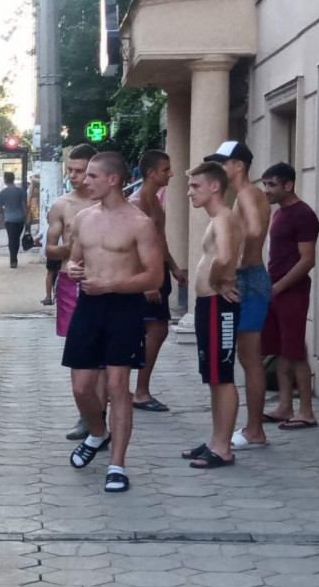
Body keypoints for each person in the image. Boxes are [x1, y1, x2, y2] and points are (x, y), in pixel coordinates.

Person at [62, 152, 164, 493]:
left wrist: (111, 285)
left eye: (92, 176)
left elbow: (154, 276)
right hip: (89, 306)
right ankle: (97, 432)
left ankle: (117, 464)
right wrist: (73, 270)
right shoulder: (84, 219)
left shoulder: (139, 223)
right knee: (81, 388)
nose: (84, 181)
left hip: (123, 307)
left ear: (113, 180)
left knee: (119, 387)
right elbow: (72, 261)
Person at [182, 161, 245, 469]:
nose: (189, 192)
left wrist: (219, 280)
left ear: (214, 187)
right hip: (210, 305)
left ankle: (223, 448)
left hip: (220, 307)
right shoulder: (218, 217)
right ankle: (215, 440)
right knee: (214, 378)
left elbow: (225, 256)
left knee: (223, 376)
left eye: (195, 186)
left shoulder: (223, 217)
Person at [216, 141, 273, 449]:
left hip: (249, 280)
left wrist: (235, 260)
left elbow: (252, 231)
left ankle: (255, 430)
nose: (220, 169)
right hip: (251, 279)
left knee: (250, 359)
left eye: (223, 163)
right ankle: (253, 427)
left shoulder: (248, 194)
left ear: (238, 165)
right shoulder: (246, 195)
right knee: (247, 357)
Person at [45, 144, 102, 440]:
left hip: (104, 283)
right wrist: (69, 249)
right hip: (70, 282)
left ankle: (102, 413)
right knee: (78, 352)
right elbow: (50, 248)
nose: (74, 176)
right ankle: (86, 414)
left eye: (81, 171)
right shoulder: (62, 205)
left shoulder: (107, 204)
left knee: (104, 354)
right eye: (71, 170)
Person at [261, 162, 319, 431]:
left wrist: (280, 286)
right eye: (265, 184)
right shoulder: (279, 213)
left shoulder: (303, 214)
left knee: (296, 351)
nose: (267, 190)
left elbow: (307, 260)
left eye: (272, 184)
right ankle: (285, 406)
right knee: (281, 350)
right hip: (274, 290)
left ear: (288, 184)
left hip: (292, 292)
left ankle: (306, 411)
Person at [130, 150, 188, 412]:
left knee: (154, 330)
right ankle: (138, 391)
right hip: (146, 276)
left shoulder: (154, 199)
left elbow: (159, 239)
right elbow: (134, 245)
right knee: (153, 329)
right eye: (166, 169)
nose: (171, 173)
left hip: (159, 271)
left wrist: (174, 266)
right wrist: (147, 282)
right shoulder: (137, 202)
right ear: (152, 173)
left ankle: (136, 388)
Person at [0, 171, 28, 268]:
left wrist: (2, 215)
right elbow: (24, 206)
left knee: (11, 239)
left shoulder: (2, 193)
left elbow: (0, 209)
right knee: (17, 239)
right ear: (13, 179)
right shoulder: (21, 191)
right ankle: (15, 257)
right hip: (20, 219)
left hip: (9, 220)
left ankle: (13, 259)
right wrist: (27, 218)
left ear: (5, 180)